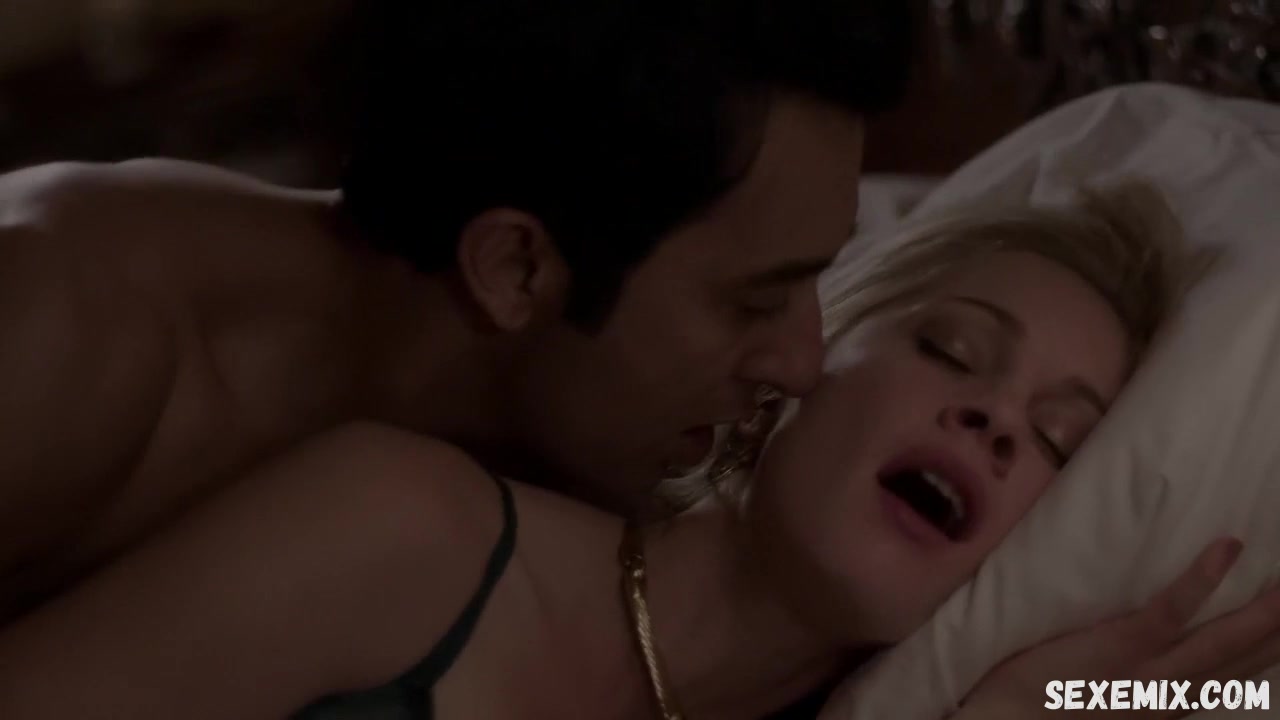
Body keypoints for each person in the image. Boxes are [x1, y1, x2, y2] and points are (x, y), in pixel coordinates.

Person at [6, 182, 1277, 720]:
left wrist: (1097, 697)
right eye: (949, 351)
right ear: (800, 365)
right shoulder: (408, 531)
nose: (995, 421)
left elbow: (1213, 696)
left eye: (1056, 442)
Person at [0, 0, 911, 623]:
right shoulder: (55, 329)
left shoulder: (556, 472)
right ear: (514, 268)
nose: (803, 361)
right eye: (756, 299)